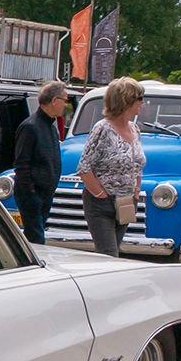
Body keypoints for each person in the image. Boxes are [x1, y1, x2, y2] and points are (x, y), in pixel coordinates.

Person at [77, 76, 145, 257]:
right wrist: (102, 195)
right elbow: (84, 167)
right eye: (139, 98)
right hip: (102, 204)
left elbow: (137, 163)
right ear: (126, 100)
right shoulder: (103, 129)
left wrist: (136, 190)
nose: (142, 102)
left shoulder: (135, 129)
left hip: (126, 202)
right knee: (108, 254)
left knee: (115, 252)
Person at [11, 81, 69, 246]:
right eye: (65, 100)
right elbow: (21, 164)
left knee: (36, 235)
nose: (66, 104)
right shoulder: (30, 127)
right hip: (32, 194)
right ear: (54, 100)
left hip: (46, 193)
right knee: (36, 238)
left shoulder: (51, 127)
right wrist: (31, 193)